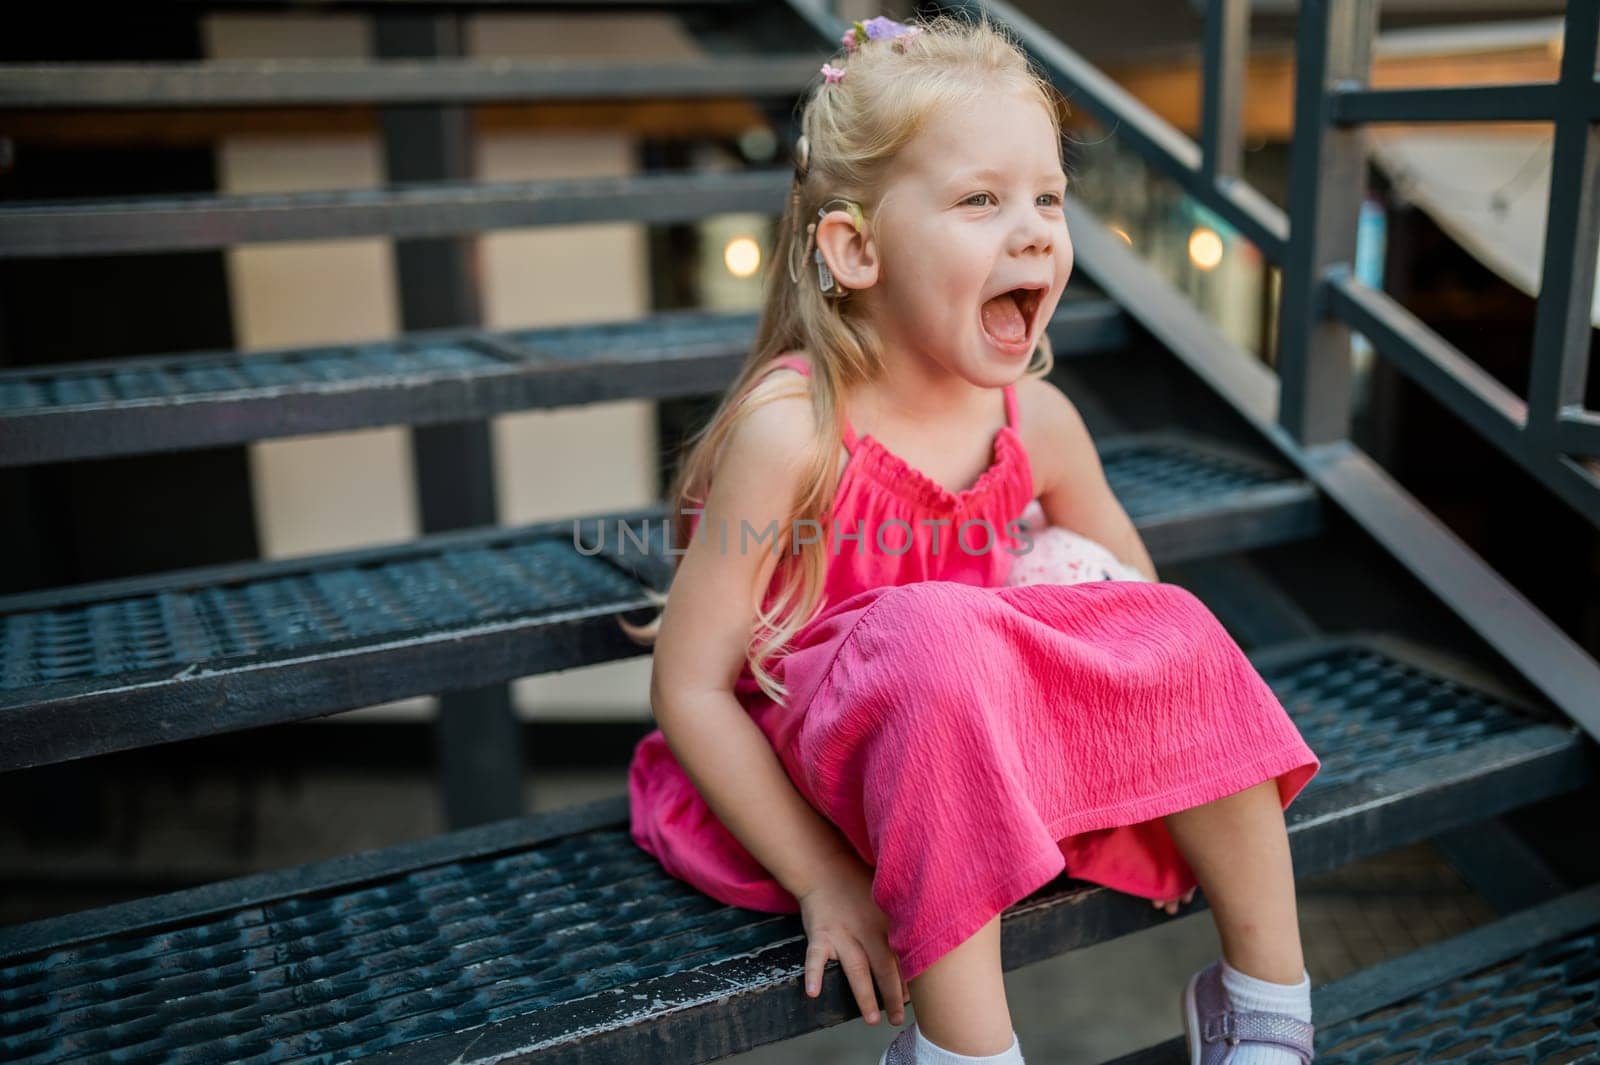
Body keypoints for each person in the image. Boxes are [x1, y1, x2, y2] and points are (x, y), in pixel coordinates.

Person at [622, 13, 1321, 1064]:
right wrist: (823, 878)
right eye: (980, 200)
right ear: (854, 249)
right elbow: (686, 688)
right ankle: (963, 1048)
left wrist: (1065, 597)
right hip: (825, 775)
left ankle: (1265, 1007)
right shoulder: (792, 429)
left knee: (1174, 619)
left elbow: (1133, 619)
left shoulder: (1036, 422)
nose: (1036, 230)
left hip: (980, 761)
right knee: (938, 638)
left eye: (1049, 197)